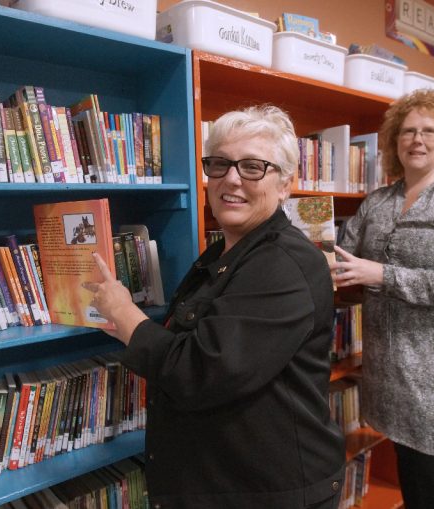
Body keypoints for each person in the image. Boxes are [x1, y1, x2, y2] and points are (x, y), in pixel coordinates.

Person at [86, 104, 346, 508]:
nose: (232, 179)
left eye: (253, 167)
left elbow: (199, 371)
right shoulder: (224, 252)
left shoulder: (283, 265)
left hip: (269, 493)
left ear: (284, 185)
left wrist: (124, 315)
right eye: (220, 164)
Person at [329, 89, 434, 509]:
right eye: (407, 131)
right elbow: (342, 253)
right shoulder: (377, 201)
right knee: (410, 479)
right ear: (394, 142)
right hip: (387, 366)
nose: (417, 140)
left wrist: (381, 275)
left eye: (429, 131)